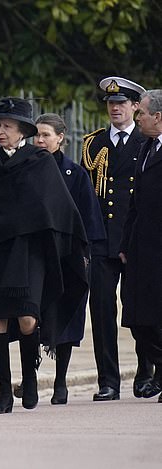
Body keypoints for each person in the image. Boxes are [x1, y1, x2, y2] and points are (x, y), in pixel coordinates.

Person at [0, 97, 88, 413]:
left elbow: (56, 207)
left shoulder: (39, 161)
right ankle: (4, 391)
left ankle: (30, 377)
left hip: (29, 253)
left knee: (26, 318)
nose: (0, 131)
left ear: (22, 130)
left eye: (7, 126)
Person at [82, 76, 157, 401]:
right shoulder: (93, 144)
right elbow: (88, 196)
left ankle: (145, 374)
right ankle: (108, 380)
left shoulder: (146, 142)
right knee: (101, 312)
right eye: (111, 104)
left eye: (122, 104)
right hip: (101, 239)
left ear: (135, 106)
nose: (115, 109)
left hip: (136, 241)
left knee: (140, 309)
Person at [32, 113, 106, 404]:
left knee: (66, 315)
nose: (40, 140)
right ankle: (30, 376)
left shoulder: (75, 173)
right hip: (34, 254)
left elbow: (88, 218)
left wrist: (86, 256)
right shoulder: (25, 168)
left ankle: (60, 379)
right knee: (31, 316)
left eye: (46, 135)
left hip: (67, 257)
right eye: (36, 135)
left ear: (60, 138)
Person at [119, 89, 162, 403]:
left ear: (158, 117)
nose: (138, 118)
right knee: (136, 317)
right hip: (141, 246)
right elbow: (134, 203)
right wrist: (125, 242)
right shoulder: (145, 147)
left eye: (142, 113)